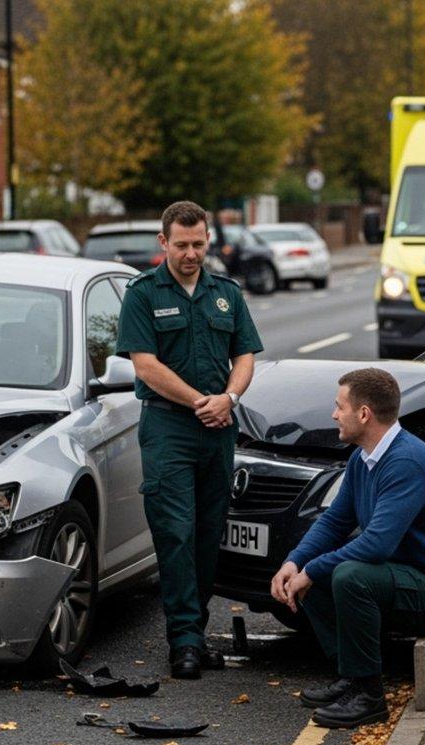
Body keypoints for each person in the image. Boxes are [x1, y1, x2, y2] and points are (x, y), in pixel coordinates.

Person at [268, 368, 425, 728]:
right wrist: (295, 562)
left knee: (348, 574)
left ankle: (368, 697)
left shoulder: (405, 461)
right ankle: (350, 677)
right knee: (318, 569)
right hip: (405, 579)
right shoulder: (363, 458)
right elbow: (335, 521)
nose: (334, 415)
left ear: (363, 414)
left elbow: (377, 544)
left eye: (339, 407)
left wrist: (312, 571)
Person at [116, 201, 263, 680]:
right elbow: (146, 365)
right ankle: (183, 640)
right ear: (164, 243)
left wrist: (230, 397)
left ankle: (195, 636)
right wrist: (203, 400)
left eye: (199, 243)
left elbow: (244, 354)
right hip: (168, 429)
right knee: (175, 533)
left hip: (218, 429)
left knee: (207, 533)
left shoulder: (226, 293)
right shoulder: (143, 293)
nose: (191, 253)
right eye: (182, 245)